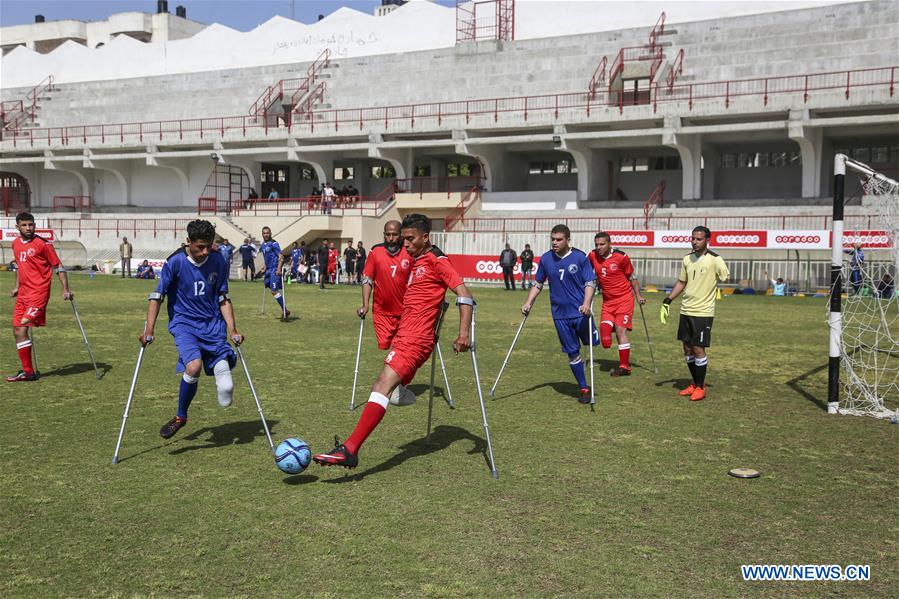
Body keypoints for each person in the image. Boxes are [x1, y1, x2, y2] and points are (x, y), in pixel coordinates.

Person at [313, 213, 474, 469]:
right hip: (403, 335)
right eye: (403, 238)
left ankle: (350, 449)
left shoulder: (437, 260)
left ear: (425, 238)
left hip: (416, 339)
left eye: (410, 239)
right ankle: (400, 395)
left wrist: (464, 334)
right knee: (390, 390)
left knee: (381, 384)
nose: (405, 244)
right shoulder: (416, 258)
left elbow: (465, 296)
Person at [139, 219, 244, 439]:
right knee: (194, 366)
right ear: (189, 242)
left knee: (225, 387)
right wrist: (149, 329)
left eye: (209, 246)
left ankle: (221, 374)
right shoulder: (175, 262)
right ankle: (180, 417)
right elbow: (157, 297)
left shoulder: (218, 261)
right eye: (200, 247)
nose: (206, 251)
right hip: (184, 323)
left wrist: (233, 330)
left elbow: (223, 298)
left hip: (212, 324)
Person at [521, 224, 598, 404]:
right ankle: (584, 388)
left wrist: (586, 304)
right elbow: (538, 283)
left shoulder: (579, 257)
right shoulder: (546, 259)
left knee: (593, 343)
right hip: (560, 315)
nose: (555, 243)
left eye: (559, 240)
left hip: (580, 313)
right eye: (553, 239)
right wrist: (528, 303)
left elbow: (590, 282)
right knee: (572, 353)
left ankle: (595, 336)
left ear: (567, 240)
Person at [660, 226, 729, 402]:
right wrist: (667, 300)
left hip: (703, 312)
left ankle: (700, 386)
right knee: (687, 348)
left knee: (698, 348)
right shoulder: (687, 259)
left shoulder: (715, 259)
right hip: (686, 310)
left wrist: (716, 268)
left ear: (707, 240)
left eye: (699, 239)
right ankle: (694, 383)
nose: (694, 242)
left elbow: (725, 276)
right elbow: (682, 282)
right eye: (693, 238)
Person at [7, 212, 74, 382]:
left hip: (39, 293)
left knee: (22, 326)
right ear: (17, 227)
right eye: (24, 225)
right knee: (17, 331)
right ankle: (28, 372)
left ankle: (28, 373)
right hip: (23, 294)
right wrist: (16, 287)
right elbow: (19, 267)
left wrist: (65, 289)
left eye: (31, 224)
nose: (28, 228)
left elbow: (58, 267)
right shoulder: (15, 244)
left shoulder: (44, 244)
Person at [358, 220, 414, 405]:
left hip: (406, 313)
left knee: (400, 350)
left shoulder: (409, 253)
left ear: (401, 234)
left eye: (394, 234)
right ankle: (393, 385)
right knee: (388, 348)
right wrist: (365, 305)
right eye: (387, 234)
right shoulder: (375, 252)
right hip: (382, 313)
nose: (390, 238)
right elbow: (368, 279)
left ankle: (394, 387)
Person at [588, 232, 645, 376]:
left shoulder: (621, 257)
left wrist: (638, 295)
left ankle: (624, 367)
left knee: (620, 331)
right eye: (597, 245)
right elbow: (586, 272)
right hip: (608, 302)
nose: (599, 247)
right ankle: (610, 332)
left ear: (609, 244)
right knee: (605, 338)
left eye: (602, 244)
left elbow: (632, 278)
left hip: (624, 299)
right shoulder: (592, 256)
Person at [260, 226, 289, 319]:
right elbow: (266, 258)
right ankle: (277, 287)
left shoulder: (274, 243)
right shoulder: (263, 245)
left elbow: (281, 256)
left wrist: (279, 269)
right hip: (268, 270)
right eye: (264, 233)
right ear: (262, 234)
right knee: (268, 286)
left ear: (270, 233)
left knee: (274, 290)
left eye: (267, 233)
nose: (266, 235)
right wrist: (264, 267)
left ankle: (285, 310)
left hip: (274, 269)